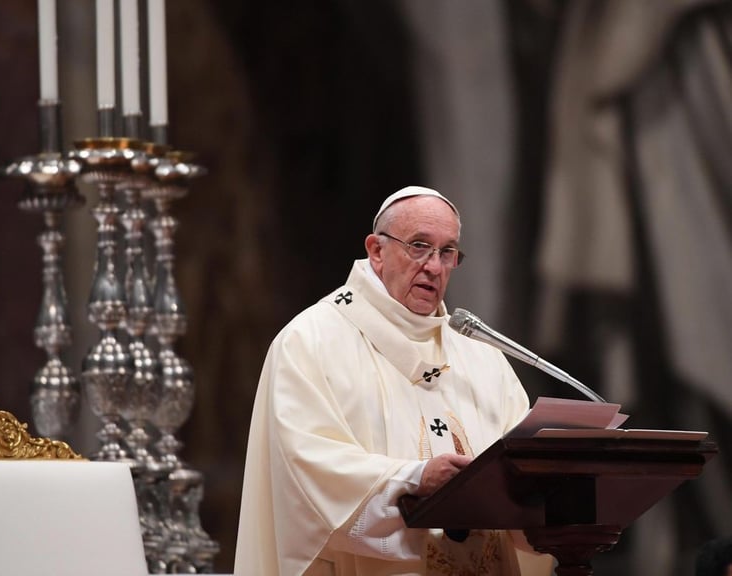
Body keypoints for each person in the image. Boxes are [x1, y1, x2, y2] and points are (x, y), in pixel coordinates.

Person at [234, 186, 551, 575]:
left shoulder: (480, 354)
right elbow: (308, 471)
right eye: (419, 246)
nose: (434, 267)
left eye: (447, 252)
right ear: (376, 250)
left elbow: (524, 469)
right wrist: (415, 478)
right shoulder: (311, 342)